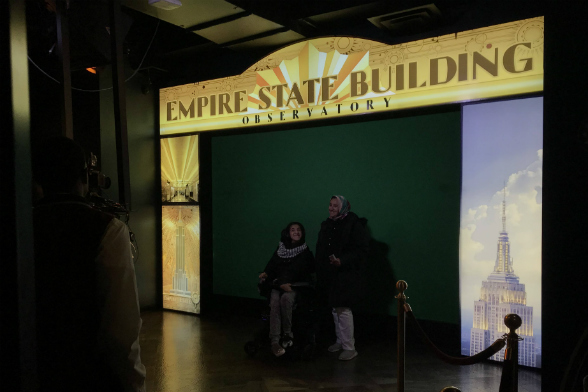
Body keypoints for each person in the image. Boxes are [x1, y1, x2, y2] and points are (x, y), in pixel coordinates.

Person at [32, 136, 146, 391]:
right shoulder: (109, 230)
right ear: (84, 177)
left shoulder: (23, 226)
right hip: (89, 375)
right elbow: (122, 332)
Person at [315, 195, 369, 361]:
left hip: (347, 274)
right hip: (330, 273)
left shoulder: (353, 224)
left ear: (344, 207)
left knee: (343, 308)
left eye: (335, 206)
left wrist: (342, 261)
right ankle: (340, 341)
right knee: (334, 308)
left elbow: (361, 250)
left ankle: (349, 347)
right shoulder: (327, 224)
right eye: (330, 205)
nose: (331, 208)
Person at [259, 222, 315, 357]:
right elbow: (272, 265)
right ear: (288, 233)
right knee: (274, 301)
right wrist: (266, 273)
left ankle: (287, 334)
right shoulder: (281, 249)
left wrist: (285, 284)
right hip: (278, 285)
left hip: (295, 286)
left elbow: (299, 272)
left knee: (286, 299)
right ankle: (275, 341)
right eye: (293, 230)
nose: (296, 232)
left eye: (299, 230)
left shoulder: (305, 252)